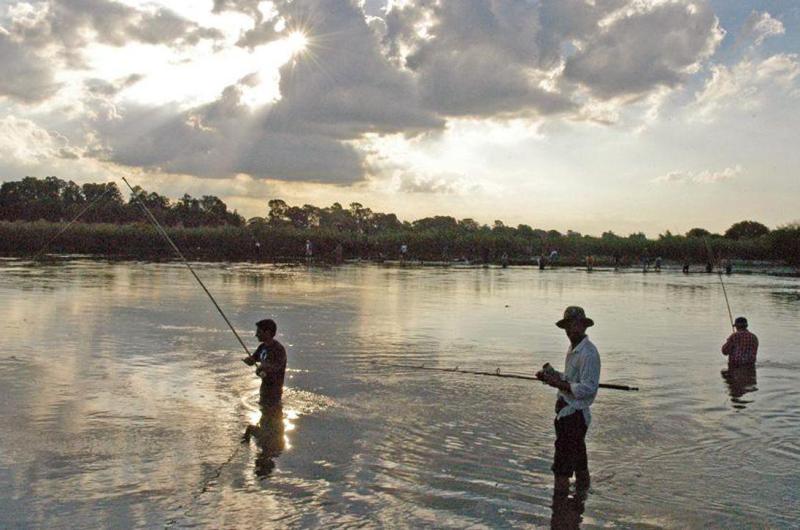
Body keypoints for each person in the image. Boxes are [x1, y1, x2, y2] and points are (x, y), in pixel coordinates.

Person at [536, 306, 601, 495]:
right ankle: (582, 498)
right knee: (580, 462)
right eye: (567, 326)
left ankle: (560, 505)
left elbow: (587, 389)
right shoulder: (574, 348)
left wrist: (557, 383)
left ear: (583, 326)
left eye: (575, 325)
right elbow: (572, 379)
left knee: (561, 469)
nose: (571, 330)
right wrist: (553, 376)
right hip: (568, 415)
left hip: (574, 416)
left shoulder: (588, 353)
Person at [243, 319, 287, 406]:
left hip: (274, 393)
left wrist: (262, 368)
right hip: (264, 390)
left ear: (267, 332)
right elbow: (254, 359)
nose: (256, 335)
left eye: (259, 332)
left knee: (271, 414)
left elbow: (274, 368)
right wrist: (249, 360)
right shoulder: (262, 347)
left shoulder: (278, 349)